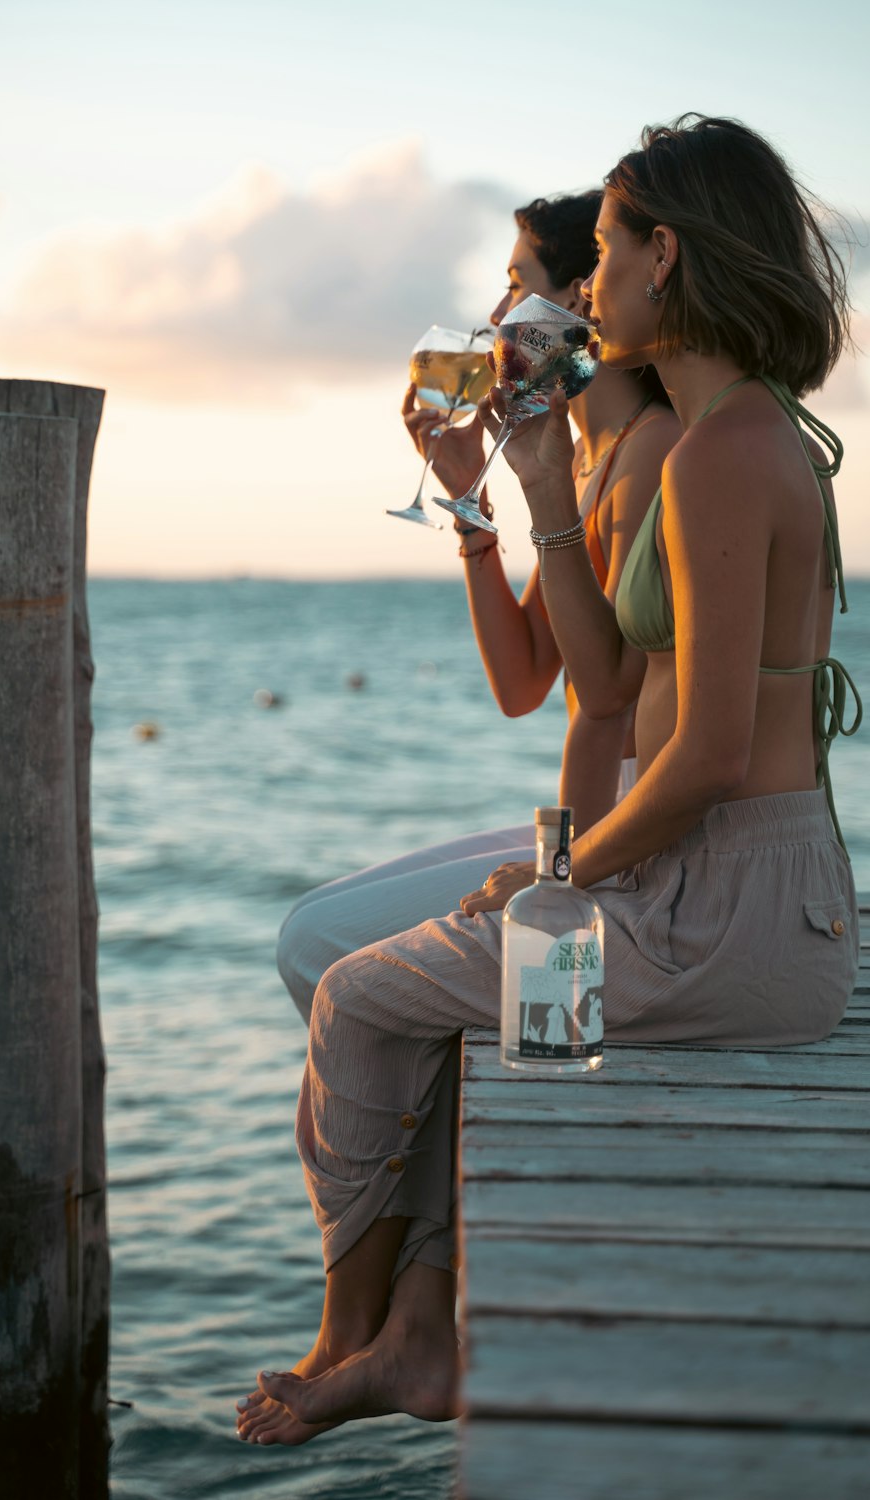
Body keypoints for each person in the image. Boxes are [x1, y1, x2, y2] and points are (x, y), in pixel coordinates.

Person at [237, 116, 861, 1448]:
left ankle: (359, 1344)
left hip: (715, 920)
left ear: (664, 257)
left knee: (354, 988)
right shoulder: (749, 440)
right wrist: (511, 486)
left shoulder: (705, 458)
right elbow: (603, 698)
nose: (582, 295)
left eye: (605, 257)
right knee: (480, 1001)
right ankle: (410, 1330)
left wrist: (564, 873)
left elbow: (684, 755)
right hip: (746, 904)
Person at [276, 192, 679, 1027]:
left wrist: (563, 875)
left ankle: (412, 1152)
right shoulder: (584, 462)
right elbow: (524, 680)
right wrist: (469, 503)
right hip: (588, 812)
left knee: (319, 946)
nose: (494, 315)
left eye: (512, 284)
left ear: (574, 300)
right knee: (317, 928)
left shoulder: (652, 458)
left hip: (627, 823)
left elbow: (607, 702)